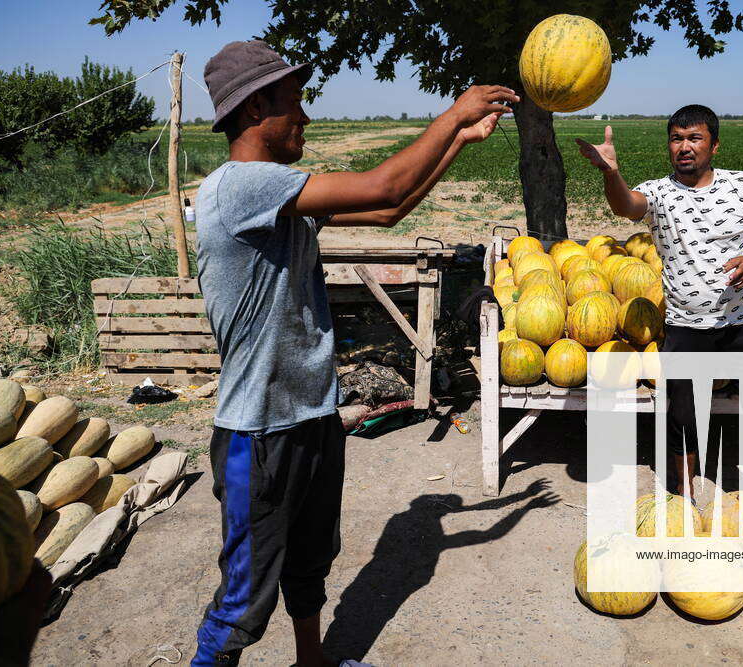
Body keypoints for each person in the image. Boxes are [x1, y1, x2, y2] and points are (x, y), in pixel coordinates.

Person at [194, 40, 518, 667]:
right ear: (256, 108)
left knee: (310, 565)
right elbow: (382, 181)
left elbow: (390, 207)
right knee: (243, 600)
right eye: (294, 102)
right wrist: (453, 113)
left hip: (311, 415)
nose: (306, 116)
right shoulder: (240, 187)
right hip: (258, 433)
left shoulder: (279, 200)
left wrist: (458, 141)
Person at [575, 104, 743, 535]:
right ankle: (684, 493)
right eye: (676, 139)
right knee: (683, 415)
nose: (684, 147)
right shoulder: (659, 193)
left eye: (694, 138)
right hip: (686, 327)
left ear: (714, 145)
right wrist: (611, 174)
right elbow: (627, 206)